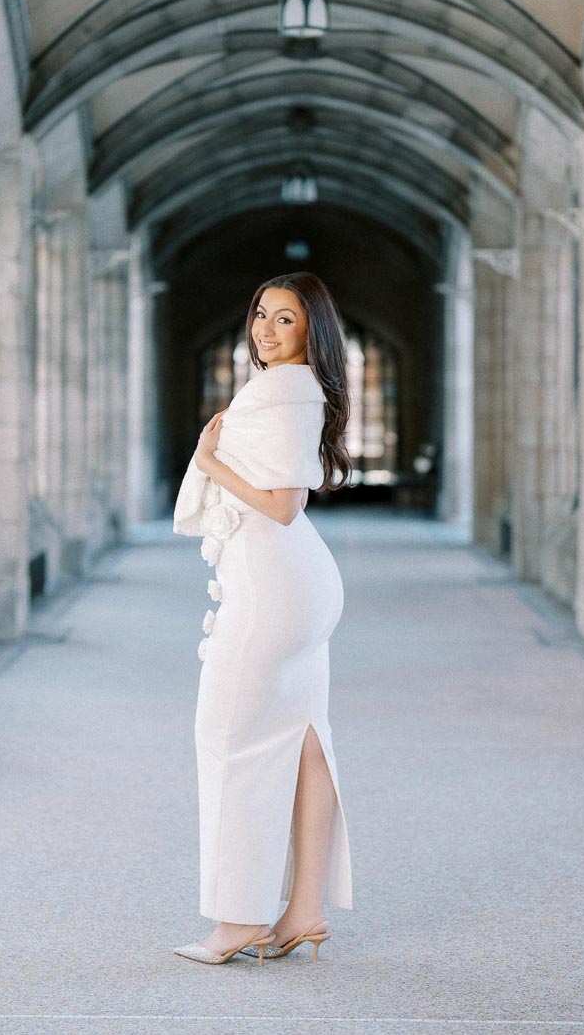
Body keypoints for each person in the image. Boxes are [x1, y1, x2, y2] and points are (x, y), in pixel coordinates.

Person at [172, 272, 354, 966]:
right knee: (303, 738)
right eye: (261, 314)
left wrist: (209, 459)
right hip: (299, 581)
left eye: (286, 319)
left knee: (229, 738)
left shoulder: (282, 388)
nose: (267, 330)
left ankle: (241, 919)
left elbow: (282, 504)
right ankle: (302, 911)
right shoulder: (299, 388)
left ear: (312, 332)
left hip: (274, 580)